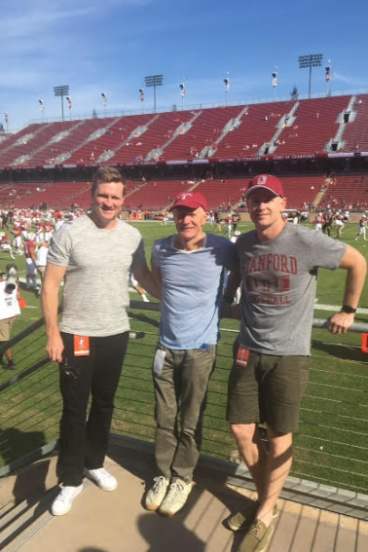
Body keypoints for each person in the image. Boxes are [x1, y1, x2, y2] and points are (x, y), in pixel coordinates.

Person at [224, 174, 366, 552]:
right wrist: (228, 300)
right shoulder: (244, 243)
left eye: (268, 199)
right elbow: (237, 273)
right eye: (255, 199)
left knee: (280, 436)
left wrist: (348, 310)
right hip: (247, 348)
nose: (261, 206)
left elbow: (357, 261)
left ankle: (265, 511)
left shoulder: (306, 241)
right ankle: (264, 500)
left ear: (283, 203)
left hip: (289, 353)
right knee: (241, 429)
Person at [42, 166, 158, 517]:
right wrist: (52, 333)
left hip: (115, 332)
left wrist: (178, 301)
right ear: (92, 195)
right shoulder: (69, 233)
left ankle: (95, 462)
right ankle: (71, 478)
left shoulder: (133, 236)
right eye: (103, 195)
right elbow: (50, 286)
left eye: (115, 197)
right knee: (74, 409)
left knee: (105, 404)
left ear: (124, 199)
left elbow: (144, 278)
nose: (109, 202)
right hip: (77, 333)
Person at [144, 191, 236, 517]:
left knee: (190, 420)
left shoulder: (222, 248)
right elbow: (158, 285)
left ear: (205, 215)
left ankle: (183, 478)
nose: (186, 220)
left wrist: (228, 297)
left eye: (192, 213)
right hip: (165, 347)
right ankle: (162, 474)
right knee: (164, 418)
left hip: (200, 349)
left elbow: (238, 274)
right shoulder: (161, 248)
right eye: (180, 213)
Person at [0, 265, 21, 369]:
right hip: (13, 314)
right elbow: (18, 296)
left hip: (2, 317)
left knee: (4, 340)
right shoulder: (13, 284)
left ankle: (11, 362)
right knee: (3, 337)